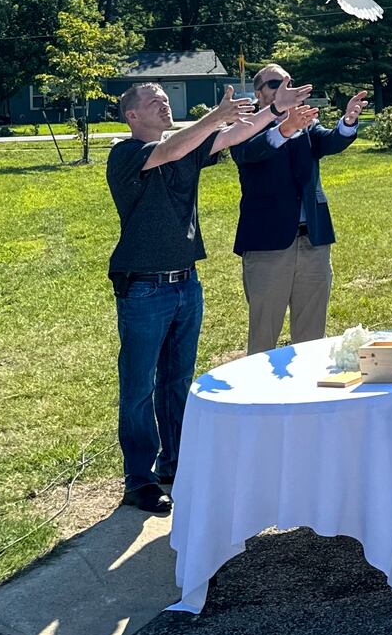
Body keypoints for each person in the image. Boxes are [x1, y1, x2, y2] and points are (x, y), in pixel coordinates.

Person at [106, 82, 275, 515]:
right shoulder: (125, 154)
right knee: (139, 387)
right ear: (133, 117)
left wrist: (275, 109)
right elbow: (169, 151)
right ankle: (139, 480)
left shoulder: (185, 147)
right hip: (144, 286)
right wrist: (216, 116)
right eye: (153, 102)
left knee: (178, 381)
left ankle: (176, 464)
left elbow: (236, 134)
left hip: (186, 284)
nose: (164, 105)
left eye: (166, 100)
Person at [233, 65, 370, 356]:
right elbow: (248, 153)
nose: (285, 88)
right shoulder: (245, 124)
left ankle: (308, 398)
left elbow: (328, 142)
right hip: (268, 244)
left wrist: (347, 121)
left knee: (311, 336)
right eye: (274, 84)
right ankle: (257, 400)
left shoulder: (305, 121)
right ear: (259, 94)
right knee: (264, 335)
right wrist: (284, 128)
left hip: (314, 241)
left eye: (289, 83)